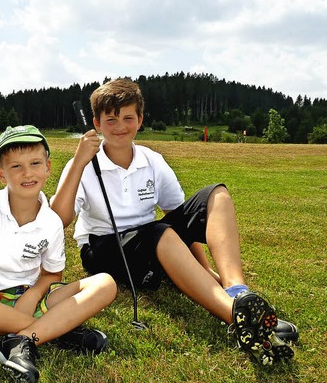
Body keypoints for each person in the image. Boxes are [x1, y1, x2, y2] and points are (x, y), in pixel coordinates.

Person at [50, 78, 297, 366]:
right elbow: (58, 220)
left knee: (216, 195)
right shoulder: (83, 164)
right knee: (161, 232)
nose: (120, 126)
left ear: (140, 120)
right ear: (96, 123)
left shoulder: (151, 160)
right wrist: (79, 162)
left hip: (151, 240)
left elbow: (183, 220)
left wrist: (206, 273)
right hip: (103, 249)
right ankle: (236, 315)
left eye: (128, 117)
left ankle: (237, 292)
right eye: (111, 119)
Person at [0, 125, 116, 382]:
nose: (27, 173)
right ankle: (56, 330)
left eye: (35, 163)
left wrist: (32, 295)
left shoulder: (51, 221)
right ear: (1, 174)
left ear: (48, 167)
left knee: (105, 284)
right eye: (16, 166)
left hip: (29, 297)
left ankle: (22, 341)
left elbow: (53, 273)